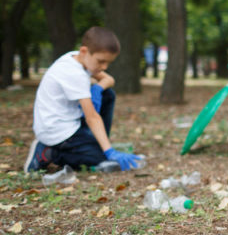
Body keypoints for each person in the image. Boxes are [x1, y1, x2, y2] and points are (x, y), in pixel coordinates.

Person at [25, 27, 141, 172]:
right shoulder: (74, 73)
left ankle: (96, 143)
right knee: (101, 159)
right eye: (101, 61)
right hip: (56, 131)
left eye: (108, 63)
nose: (104, 67)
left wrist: (97, 89)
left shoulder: (76, 57)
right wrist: (109, 152)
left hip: (68, 122)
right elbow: (92, 118)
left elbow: (109, 79)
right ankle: (48, 152)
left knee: (107, 94)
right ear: (85, 51)